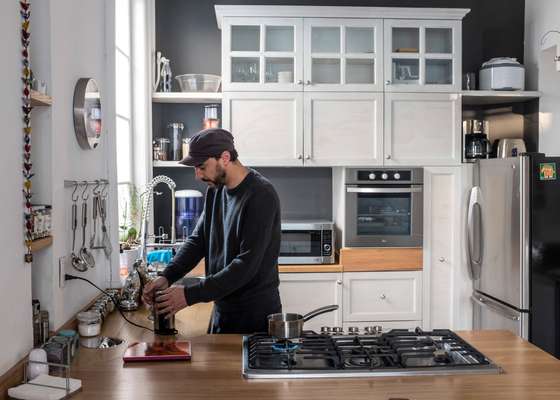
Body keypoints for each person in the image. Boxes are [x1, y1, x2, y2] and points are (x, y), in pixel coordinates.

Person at [142, 128, 282, 334]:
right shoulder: (215, 190)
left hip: (254, 316)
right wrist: (167, 276)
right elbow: (198, 240)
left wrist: (189, 295)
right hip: (223, 308)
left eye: (201, 166)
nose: (197, 175)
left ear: (225, 158)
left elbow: (245, 266)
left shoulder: (261, 195)